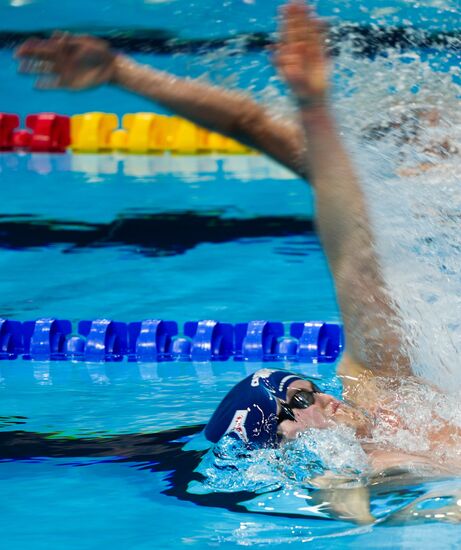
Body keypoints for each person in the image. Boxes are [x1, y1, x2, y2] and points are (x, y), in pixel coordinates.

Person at [15, 0, 461, 524]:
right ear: (401, 156)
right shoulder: (387, 219)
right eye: (427, 132)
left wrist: (121, 70)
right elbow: (264, 135)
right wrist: (312, 108)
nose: (441, 133)